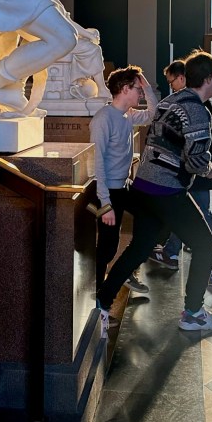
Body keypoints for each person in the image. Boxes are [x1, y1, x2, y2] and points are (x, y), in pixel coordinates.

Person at [96, 51, 212, 333]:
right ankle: (193, 313)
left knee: (139, 249)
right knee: (205, 246)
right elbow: (195, 161)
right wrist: (210, 170)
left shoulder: (171, 101)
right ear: (208, 79)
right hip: (167, 190)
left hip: (143, 186)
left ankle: (102, 303)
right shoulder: (197, 111)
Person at [147, 60, 212, 288]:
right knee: (195, 218)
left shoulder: (195, 104)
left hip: (191, 175)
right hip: (192, 175)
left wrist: (205, 168)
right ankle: (175, 254)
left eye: (172, 81)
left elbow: (191, 150)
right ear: (208, 79)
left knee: (201, 220)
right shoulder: (200, 104)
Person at [90, 66, 157, 301]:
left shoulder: (128, 115)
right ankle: (98, 296)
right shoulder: (103, 119)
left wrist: (148, 88)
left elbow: (153, 114)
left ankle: (124, 269)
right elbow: (97, 164)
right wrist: (105, 204)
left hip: (124, 185)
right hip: (107, 191)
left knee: (151, 220)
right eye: (138, 89)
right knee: (107, 246)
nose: (141, 94)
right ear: (125, 89)